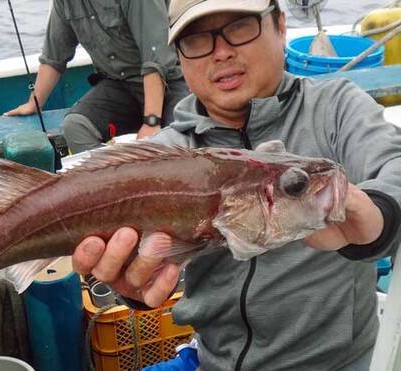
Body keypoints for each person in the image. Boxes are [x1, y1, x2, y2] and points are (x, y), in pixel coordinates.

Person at [71, 0, 401, 370]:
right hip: (212, 361)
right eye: (196, 39)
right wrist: (133, 286)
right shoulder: (166, 156)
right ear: (178, 56)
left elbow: (395, 166)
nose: (222, 52)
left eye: (240, 26)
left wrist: (377, 215)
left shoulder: (337, 108)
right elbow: (147, 271)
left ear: (279, 25)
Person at [4, 0, 189, 154]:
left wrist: (151, 122)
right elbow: (54, 57)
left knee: (180, 136)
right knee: (75, 126)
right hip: (119, 85)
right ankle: (111, 186)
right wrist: (33, 103)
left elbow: (155, 60)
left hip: (169, 83)